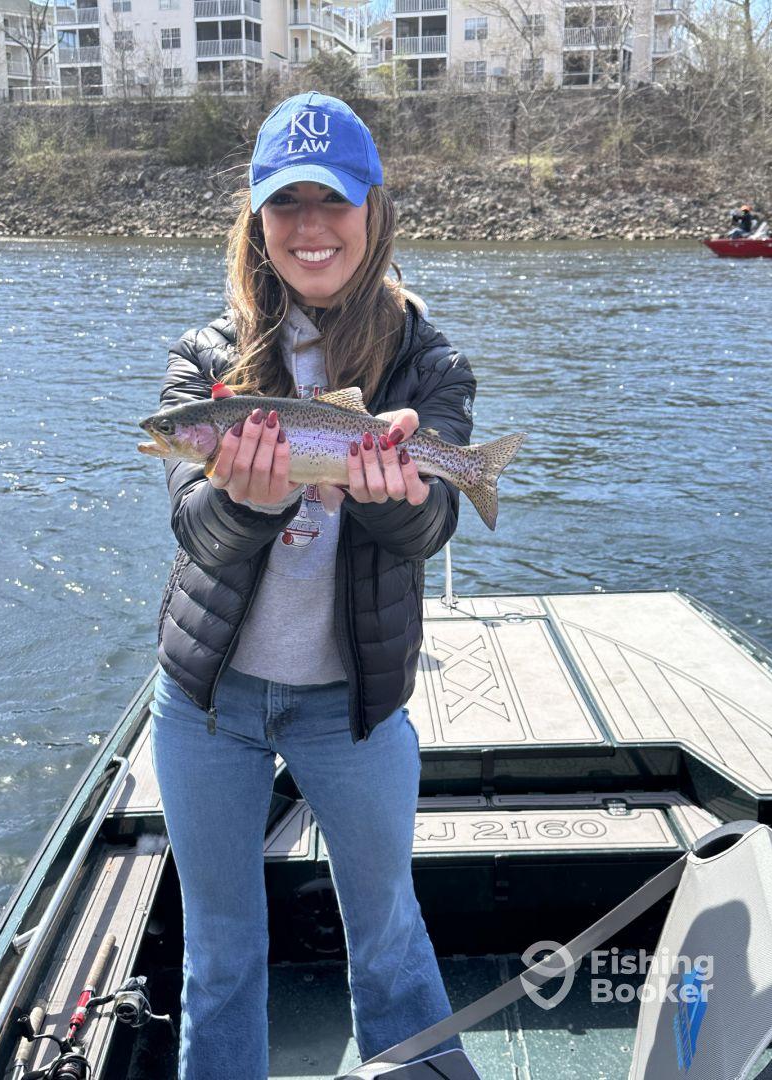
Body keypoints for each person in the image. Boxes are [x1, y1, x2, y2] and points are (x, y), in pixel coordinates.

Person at [149, 90, 476, 1080]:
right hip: (209, 708)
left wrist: (390, 496)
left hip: (355, 709)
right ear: (256, 219)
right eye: (284, 204)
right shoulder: (206, 364)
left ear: (373, 211)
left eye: (330, 201)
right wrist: (247, 501)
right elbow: (194, 532)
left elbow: (430, 524)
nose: (309, 227)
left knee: (390, 942)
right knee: (220, 955)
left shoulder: (427, 359)